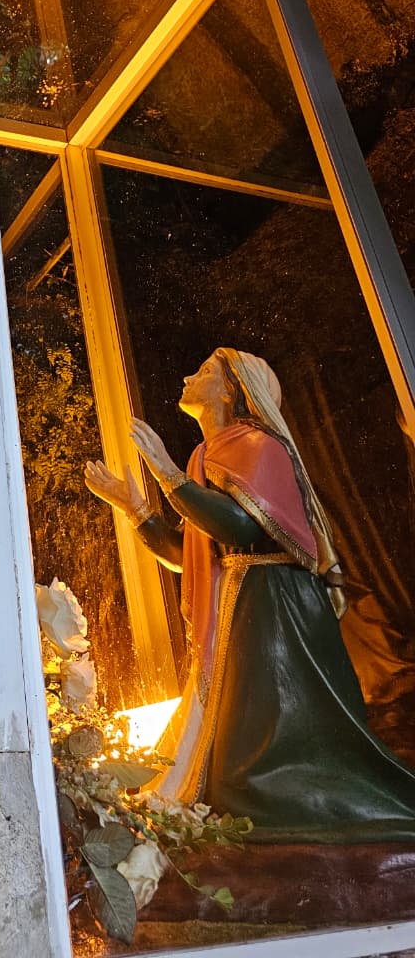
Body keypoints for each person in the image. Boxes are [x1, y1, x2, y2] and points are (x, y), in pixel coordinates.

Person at [85, 347, 415, 842]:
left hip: (275, 606)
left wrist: (165, 473)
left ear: (230, 389)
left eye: (204, 371)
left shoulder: (262, 447)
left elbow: (240, 527)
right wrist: (134, 506)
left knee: (262, 751)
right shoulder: (204, 456)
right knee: (232, 749)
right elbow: (187, 551)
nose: (187, 374)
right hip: (241, 604)